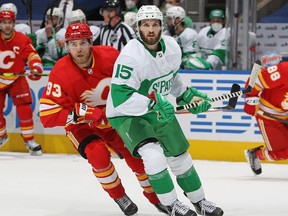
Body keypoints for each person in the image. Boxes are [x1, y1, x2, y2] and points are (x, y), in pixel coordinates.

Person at [39, 22, 168, 216]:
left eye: (82, 43)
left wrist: (145, 99)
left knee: (138, 159)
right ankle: (118, 195)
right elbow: (47, 116)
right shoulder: (60, 71)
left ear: (91, 42)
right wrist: (83, 111)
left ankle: (156, 198)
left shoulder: (110, 56)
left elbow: (133, 82)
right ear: (66, 46)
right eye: (73, 44)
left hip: (115, 120)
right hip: (82, 126)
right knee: (97, 154)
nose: (78, 49)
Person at [106, 5, 224, 216]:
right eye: (145, 25)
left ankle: (200, 202)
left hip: (157, 108)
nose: (150, 30)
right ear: (138, 28)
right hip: (126, 112)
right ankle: (171, 204)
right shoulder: (131, 56)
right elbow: (120, 97)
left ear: (161, 27)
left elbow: (172, 79)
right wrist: (153, 104)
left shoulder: (172, 47)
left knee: (180, 156)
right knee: (154, 155)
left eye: (154, 25)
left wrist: (189, 95)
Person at [0, 10, 43, 156]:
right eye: (4, 22)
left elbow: (32, 55)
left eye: (9, 22)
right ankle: (1, 135)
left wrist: (35, 66)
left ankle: (29, 140)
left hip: (16, 78)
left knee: (24, 109)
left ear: (14, 23)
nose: (7, 25)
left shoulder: (22, 40)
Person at [244, 51, 288, 175]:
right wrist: (250, 100)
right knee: (283, 153)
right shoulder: (285, 70)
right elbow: (256, 79)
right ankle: (256, 154)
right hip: (270, 115)